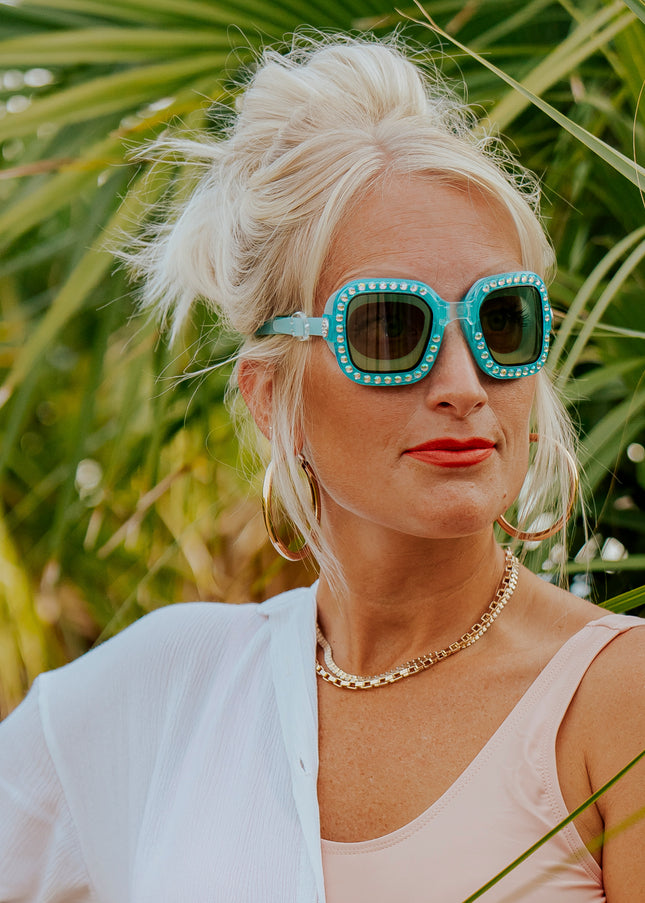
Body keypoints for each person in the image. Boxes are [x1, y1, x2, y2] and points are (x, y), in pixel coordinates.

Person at [1, 35, 644, 903]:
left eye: (500, 323)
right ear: (270, 397)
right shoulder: (164, 693)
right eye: (389, 328)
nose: (462, 384)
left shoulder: (612, 701)